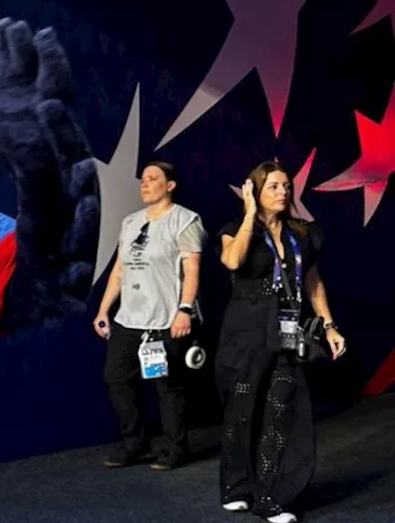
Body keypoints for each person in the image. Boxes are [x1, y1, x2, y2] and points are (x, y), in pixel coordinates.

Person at [216, 160, 347, 523]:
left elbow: (313, 282)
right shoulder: (234, 229)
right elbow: (232, 261)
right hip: (245, 330)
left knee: (282, 410)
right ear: (255, 191)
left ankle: (273, 497)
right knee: (243, 412)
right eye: (273, 186)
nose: (283, 192)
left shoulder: (302, 233)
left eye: (287, 186)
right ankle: (236, 485)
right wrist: (248, 215)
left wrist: (329, 325)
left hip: (286, 329)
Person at [94, 160, 205, 471]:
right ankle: (135, 443)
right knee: (115, 378)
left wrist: (184, 310)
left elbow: (192, 269)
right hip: (129, 318)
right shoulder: (130, 222)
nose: (145, 184)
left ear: (170, 185)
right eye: (142, 179)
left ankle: (175, 447)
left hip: (166, 320)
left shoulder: (185, 220)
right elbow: (119, 269)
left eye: (153, 178)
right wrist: (104, 309)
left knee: (167, 387)